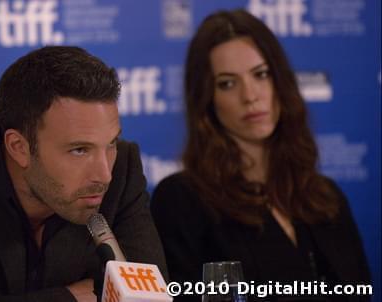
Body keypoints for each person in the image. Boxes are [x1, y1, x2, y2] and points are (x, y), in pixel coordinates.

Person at [150, 9, 370, 302]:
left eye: (261, 74)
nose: (250, 95)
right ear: (206, 100)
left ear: (280, 81)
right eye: (228, 83)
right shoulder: (181, 200)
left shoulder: (326, 196)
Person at [0, 46, 167, 302]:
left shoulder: (122, 169)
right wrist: (68, 297)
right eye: (79, 150)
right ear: (19, 147)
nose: (104, 175)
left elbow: (149, 297)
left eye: (110, 144)